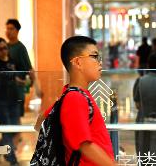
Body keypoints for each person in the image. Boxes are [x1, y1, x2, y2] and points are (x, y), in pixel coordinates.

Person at [35, 36, 115, 166]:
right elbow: (83, 144)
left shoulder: (70, 95)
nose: (100, 63)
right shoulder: (75, 98)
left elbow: (39, 123)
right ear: (78, 62)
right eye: (94, 56)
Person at [0, 38, 21, 166]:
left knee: (15, 130)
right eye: (1, 49)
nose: (4, 51)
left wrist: (22, 82)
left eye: (6, 47)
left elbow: (15, 77)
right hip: (0, 102)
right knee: (6, 129)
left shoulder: (12, 61)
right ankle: (12, 159)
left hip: (13, 100)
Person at [5, 19, 34, 116]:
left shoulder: (21, 48)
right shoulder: (5, 47)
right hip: (6, 90)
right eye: (7, 29)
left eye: (11, 29)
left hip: (17, 90)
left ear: (17, 31)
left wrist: (31, 84)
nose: (8, 31)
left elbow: (29, 68)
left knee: (15, 119)